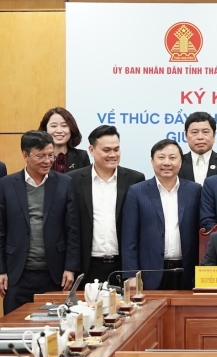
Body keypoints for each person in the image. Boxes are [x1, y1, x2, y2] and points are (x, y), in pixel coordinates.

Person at [0, 131, 79, 314]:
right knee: (15, 326)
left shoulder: (65, 183)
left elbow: (73, 229)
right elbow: (1, 231)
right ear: (25, 155)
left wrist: (70, 267)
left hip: (55, 274)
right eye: (40, 156)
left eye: (51, 155)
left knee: (56, 326)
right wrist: (1, 270)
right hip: (17, 274)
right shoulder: (6, 185)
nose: (47, 161)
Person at [67, 125, 145, 286]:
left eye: (116, 149)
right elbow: (69, 227)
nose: (113, 155)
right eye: (106, 150)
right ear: (91, 150)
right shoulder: (73, 180)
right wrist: (70, 267)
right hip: (86, 267)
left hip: (122, 267)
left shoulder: (134, 179)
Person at [121, 139, 201, 290]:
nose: (167, 163)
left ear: (181, 162)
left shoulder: (195, 190)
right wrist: (131, 275)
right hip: (150, 272)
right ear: (152, 161)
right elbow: (129, 238)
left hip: (187, 271)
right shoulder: (137, 191)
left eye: (172, 157)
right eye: (161, 157)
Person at [178, 111, 217, 185]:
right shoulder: (178, 163)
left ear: (214, 135)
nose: (200, 137)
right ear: (186, 135)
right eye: (194, 132)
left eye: (205, 132)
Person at [38, 107, 90, 173]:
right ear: (45, 129)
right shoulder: (38, 156)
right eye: (54, 126)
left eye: (64, 126)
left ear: (71, 129)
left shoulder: (82, 156)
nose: (59, 131)